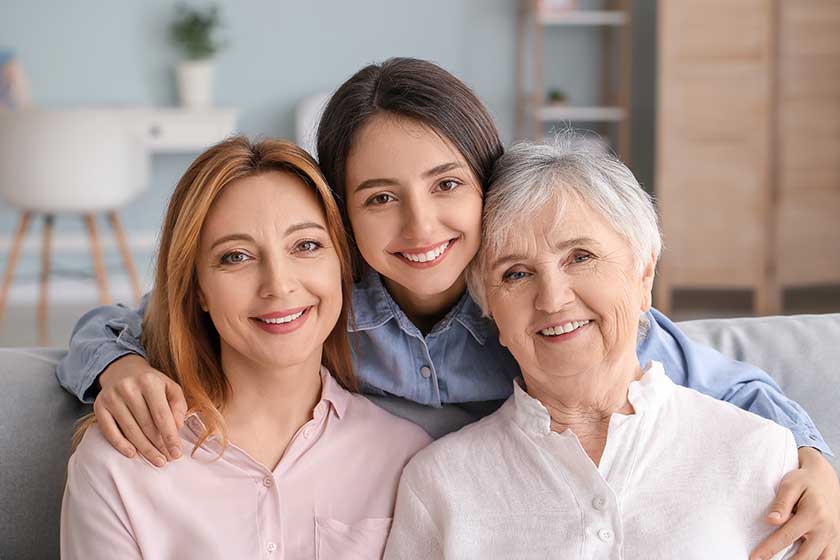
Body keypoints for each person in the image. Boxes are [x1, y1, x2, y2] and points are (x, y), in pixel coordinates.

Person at [56, 58, 839, 557]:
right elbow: (119, 323)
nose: (421, 228)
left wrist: (815, 461)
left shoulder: (538, 318)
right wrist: (119, 365)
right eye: (380, 199)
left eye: (447, 186)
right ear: (342, 219)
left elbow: (732, 389)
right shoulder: (319, 305)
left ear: (486, 186)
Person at [385, 138, 800, 559]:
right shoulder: (439, 484)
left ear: (644, 274)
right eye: (515, 274)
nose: (552, 299)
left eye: (580, 257)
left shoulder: (759, 453)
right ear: (489, 309)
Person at [61, 137, 430, 559]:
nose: (279, 284)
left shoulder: (405, 459)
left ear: (341, 264)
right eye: (236, 257)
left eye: (306, 246)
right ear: (197, 288)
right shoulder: (118, 466)